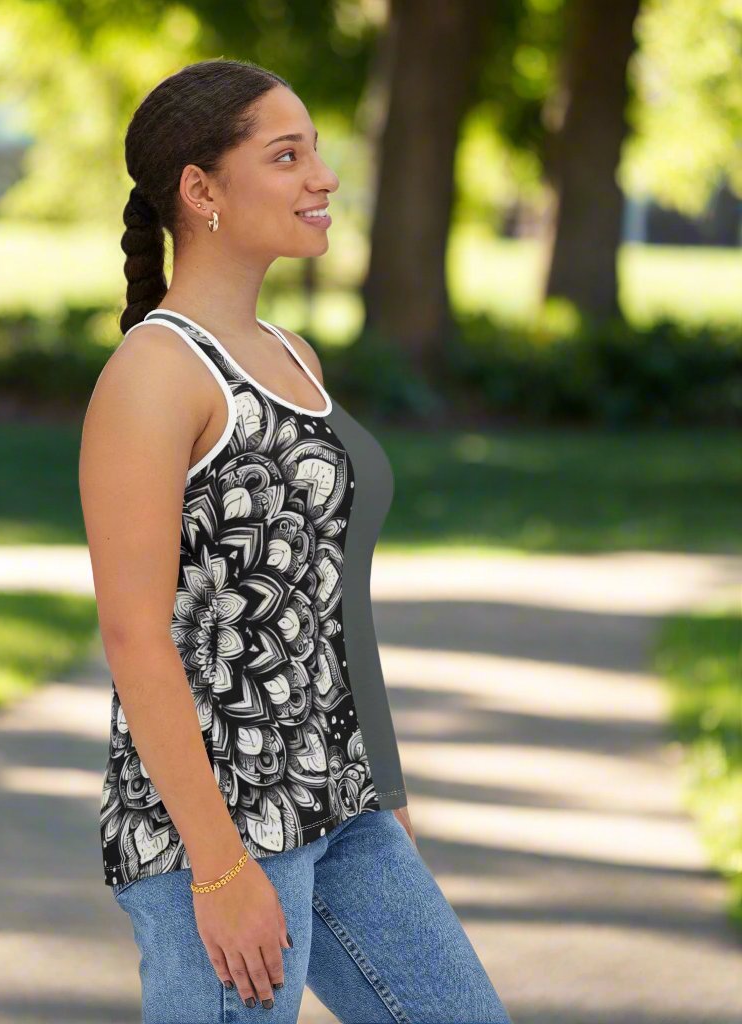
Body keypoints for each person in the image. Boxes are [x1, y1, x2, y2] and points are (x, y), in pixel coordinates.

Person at [79, 57, 511, 1024]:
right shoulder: (156, 372)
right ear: (201, 191)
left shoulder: (290, 357)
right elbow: (135, 637)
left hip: (343, 807)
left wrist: (383, 783)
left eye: (316, 149)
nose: (323, 176)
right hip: (220, 823)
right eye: (287, 154)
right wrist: (221, 866)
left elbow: (336, 596)